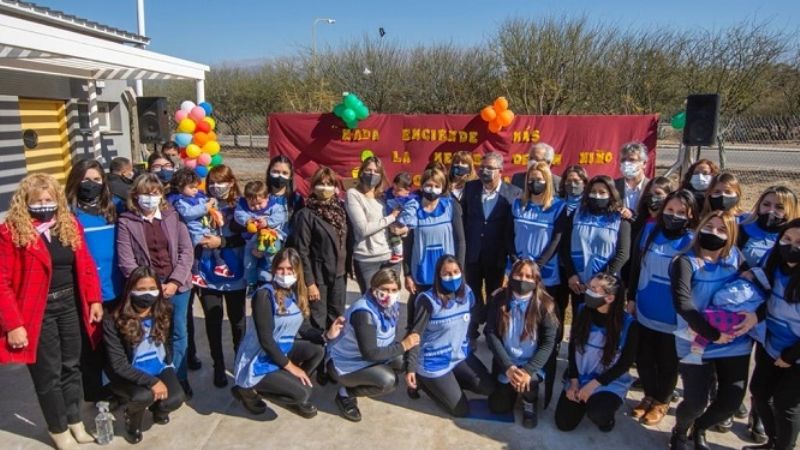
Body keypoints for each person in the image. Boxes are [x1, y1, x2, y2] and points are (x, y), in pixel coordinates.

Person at [0, 173, 103, 450]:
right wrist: (13, 324)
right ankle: (58, 429)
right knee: (48, 374)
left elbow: (85, 264)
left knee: (71, 367)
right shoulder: (11, 232)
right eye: (38, 200)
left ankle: (74, 421)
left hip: (69, 304)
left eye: (49, 199)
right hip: (37, 310)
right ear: (26, 202)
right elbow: (2, 281)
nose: (45, 204)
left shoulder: (68, 225)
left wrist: (93, 299)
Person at [669, 211, 757, 450]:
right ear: (699, 229)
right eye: (709, 227)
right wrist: (713, 334)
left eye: (721, 229)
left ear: (731, 235)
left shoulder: (737, 258)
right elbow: (683, 304)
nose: (714, 233)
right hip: (696, 340)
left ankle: (701, 428)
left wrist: (755, 316)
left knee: (731, 401)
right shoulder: (685, 261)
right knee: (695, 402)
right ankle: (680, 429)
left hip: (734, 342)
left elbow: (757, 288)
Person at [231, 248, 338, 418]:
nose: (285, 273)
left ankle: (289, 385)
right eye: (281, 269)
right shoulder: (264, 296)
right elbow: (266, 341)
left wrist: (326, 335)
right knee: (304, 394)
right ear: (273, 270)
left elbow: (302, 327)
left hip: (281, 349)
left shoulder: (294, 292)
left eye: (290, 270)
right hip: (259, 358)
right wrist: (293, 368)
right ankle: (249, 390)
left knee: (318, 350)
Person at [116, 174, 195, 398]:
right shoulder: (126, 222)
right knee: (153, 333)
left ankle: (179, 377)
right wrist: (150, 287)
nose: (150, 198)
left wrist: (175, 281)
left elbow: (186, 251)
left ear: (161, 195)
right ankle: (153, 378)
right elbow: (127, 260)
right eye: (145, 194)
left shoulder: (172, 215)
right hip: (147, 291)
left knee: (179, 332)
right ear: (135, 195)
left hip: (177, 286)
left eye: (155, 193)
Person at [627, 189, 697, 425]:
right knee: (644, 357)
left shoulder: (693, 240)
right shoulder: (649, 231)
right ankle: (648, 395)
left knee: (668, 361)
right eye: (669, 210)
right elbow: (636, 266)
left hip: (674, 315)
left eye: (681, 212)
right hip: (646, 306)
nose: (673, 215)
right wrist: (631, 297)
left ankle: (662, 401)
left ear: (690, 215)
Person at [405, 255, 495, 417]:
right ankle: (423, 381)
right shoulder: (428, 301)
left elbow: (479, 315)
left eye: (455, 272)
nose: (452, 277)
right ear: (438, 276)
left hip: (459, 356)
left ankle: (448, 383)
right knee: (461, 411)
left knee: (488, 388)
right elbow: (415, 335)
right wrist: (410, 368)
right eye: (446, 273)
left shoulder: (467, 293)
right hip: (434, 362)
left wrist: (500, 296)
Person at [65, 158, 124, 403]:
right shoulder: (69, 213)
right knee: (91, 346)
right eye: (86, 180)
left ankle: (119, 387)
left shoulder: (115, 208)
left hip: (117, 288)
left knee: (116, 343)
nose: (91, 184)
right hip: (88, 292)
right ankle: (95, 392)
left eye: (97, 180)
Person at [103, 267, 185, 444]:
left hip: (157, 365)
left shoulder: (166, 310)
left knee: (176, 398)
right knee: (142, 396)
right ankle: (132, 419)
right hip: (128, 372)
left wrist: (168, 365)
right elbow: (119, 365)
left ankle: (159, 409)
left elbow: (168, 341)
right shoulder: (114, 318)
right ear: (130, 289)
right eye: (140, 289)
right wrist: (153, 382)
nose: (147, 294)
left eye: (151, 289)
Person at [326, 268, 420, 422]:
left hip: (367, 356)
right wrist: (403, 345)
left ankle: (368, 377)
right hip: (346, 363)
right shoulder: (364, 313)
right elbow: (370, 353)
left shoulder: (391, 307)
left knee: (405, 360)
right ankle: (346, 394)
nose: (389, 294)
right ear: (374, 288)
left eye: (394, 290)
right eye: (384, 289)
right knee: (388, 381)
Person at [510, 161, 568, 405]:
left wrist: (537, 267)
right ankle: (516, 369)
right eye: (531, 179)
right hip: (518, 273)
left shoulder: (558, 207)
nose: (535, 183)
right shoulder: (518, 203)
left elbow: (557, 240)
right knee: (520, 322)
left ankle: (539, 374)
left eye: (540, 179)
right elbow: (509, 234)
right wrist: (516, 263)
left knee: (544, 325)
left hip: (546, 275)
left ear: (548, 181)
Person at [555, 273, 638, 433]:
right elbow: (572, 348)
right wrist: (573, 381)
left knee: (598, 413)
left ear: (610, 298)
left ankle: (606, 416)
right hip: (580, 375)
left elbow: (624, 364)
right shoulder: (581, 311)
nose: (588, 291)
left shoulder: (629, 325)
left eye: (594, 289)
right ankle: (584, 400)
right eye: (589, 287)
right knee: (564, 423)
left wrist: (593, 386)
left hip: (607, 382)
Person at [486, 259, 558, 428]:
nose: (523, 280)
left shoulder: (546, 305)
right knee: (498, 407)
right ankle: (512, 386)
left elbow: (548, 343)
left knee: (529, 383)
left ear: (536, 281)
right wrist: (508, 367)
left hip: (530, 364)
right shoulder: (499, 299)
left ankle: (529, 401)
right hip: (507, 362)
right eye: (518, 274)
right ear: (511, 276)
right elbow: (490, 334)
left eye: (528, 276)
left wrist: (527, 370)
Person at [195, 165, 248, 388]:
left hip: (235, 273)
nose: (217, 187)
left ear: (232, 182)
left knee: (238, 322)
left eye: (222, 182)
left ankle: (240, 360)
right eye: (213, 182)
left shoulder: (242, 205)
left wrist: (222, 242)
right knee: (213, 321)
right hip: (207, 273)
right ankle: (218, 364)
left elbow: (246, 237)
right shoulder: (200, 205)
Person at [749, 219, 800, 450]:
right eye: (786, 239)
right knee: (760, 392)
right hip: (772, 344)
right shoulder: (772, 262)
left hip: (795, 353)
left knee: (786, 404)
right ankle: (773, 441)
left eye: (799, 242)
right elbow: (763, 296)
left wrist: (790, 356)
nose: (791, 246)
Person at [461, 152, 521, 340]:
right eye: (482, 167)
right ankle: (472, 331)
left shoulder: (514, 193)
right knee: (472, 294)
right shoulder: (470, 188)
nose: (484, 171)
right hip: (473, 254)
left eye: (489, 168)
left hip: (498, 257)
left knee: (496, 296)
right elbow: (462, 220)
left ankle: (493, 332)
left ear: (500, 171)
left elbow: (513, 229)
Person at [403, 168, 466, 326]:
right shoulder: (413, 209)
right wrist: (407, 273)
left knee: (445, 314)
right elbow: (408, 244)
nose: (432, 189)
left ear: (443, 187)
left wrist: (460, 269)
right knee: (419, 315)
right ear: (422, 185)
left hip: (447, 272)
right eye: (428, 185)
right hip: (421, 271)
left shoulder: (451, 207)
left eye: (437, 185)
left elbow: (460, 241)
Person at [293, 166, 349, 333]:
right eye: (320, 183)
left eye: (329, 184)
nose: (325, 188)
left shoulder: (341, 211)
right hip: (318, 277)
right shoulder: (306, 214)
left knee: (337, 318)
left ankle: (334, 355)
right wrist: (310, 283)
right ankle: (319, 356)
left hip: (339, 275)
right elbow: (301, 250)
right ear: (313, 186)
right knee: (318, 318)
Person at [561, 175, 631, 300]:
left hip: (606, 285)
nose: (597, 195)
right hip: (579, 283)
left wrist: (600, 280)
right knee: (580, 317)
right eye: (593, 192)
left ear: (611, 194)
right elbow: (564, 246)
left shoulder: (620, 218)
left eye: (602, 192)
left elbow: (623, 253)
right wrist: (571, 274)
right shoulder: (576, 213)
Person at [345, 156, 403, 294]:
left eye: (376, 171)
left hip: (390, 259)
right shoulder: (353, 195)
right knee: (371, 302)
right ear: (361, 172)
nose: (372, 174)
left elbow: (398, 222)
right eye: (368, 170)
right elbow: (363, 229)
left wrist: (403, 229)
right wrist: (391, 217)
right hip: (367, 260)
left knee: (391, 303)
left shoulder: (383, 197)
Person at [167, 168, 231, 288]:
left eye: (196, 187)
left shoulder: (198, 196)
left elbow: (208, 204)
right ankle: (196, 272)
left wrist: (212, 202)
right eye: (191, 187)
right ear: (180, 187)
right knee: (197, 251)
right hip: (195, 231)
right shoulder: (180, 201)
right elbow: (189, 213)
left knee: (213, 247)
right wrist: (206, 207)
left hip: (205, 227)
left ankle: (219, 265)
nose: (195, 190)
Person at [739, 186, 798, 268]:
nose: (771, 210)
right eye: (766, 204)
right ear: (759, 206)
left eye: (779, 207)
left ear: (790, 211)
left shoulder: (794, 238)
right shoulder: (743, 226)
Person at [383, 171, 419, 264]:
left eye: (398, 190)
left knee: (394, 236)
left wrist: (400, 223)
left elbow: (409, 214)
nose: (394, 192)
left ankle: (398, 253)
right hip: (393, 220)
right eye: (393, 189)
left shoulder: (410, 201)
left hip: (402, 223)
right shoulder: (392, 195)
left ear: (407, 190)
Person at [614, 142, 651, 220]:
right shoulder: (613, 186)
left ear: (644, 163)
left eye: (632, 160)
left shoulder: (652, 187)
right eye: (623, 160)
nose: (626, 163)